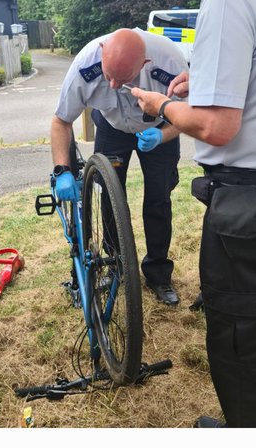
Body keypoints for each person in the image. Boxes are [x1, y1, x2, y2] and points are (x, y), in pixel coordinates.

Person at [130, 0, 256, 427]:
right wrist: (202, 77)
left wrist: (163, 106)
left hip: (248, 210)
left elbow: (217, 126)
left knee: (240, 337)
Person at [51, 27, 189, 305]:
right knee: (110, 198)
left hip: (159, 128)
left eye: (123, 78)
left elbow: (191, 113)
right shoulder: (85, 63)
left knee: (159, 198)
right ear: (102, 53)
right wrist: (62, 171)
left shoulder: (170, 61)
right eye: (108, 75)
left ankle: (158, 273)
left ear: (145, 64)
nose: (113, 85)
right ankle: (116, 264)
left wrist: (163, 135)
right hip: (112, 128)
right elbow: (61, 121)